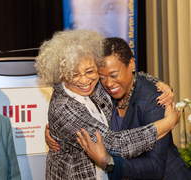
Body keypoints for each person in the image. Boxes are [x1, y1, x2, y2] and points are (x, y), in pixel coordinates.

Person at [35, 29, 179, 180]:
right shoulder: (63, 108)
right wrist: (167, 123)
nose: (84, 81)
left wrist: (160, 84)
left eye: (90, 71)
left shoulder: (97, 84)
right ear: (62, 74)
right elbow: (113, 144)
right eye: (74, 74)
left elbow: (129, 74)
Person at [76, 37, 191, 179]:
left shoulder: (153, 100)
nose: (109, 83)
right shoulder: (103, 93)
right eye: (102, 77)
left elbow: (155, 167)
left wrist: (109, 163)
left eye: (113, 75)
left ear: (131, 64)